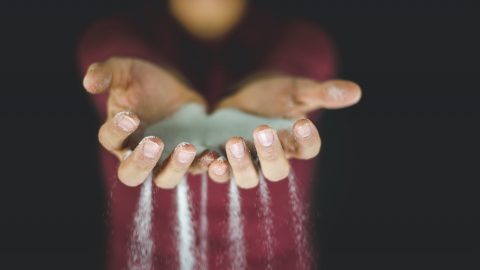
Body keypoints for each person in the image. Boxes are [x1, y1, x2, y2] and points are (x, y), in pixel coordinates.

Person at [78, 0, 361, 269]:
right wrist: (137, 82)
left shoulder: (302, 41)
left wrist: (265, 84)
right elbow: (110, 54)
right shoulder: (114, 38)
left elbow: (302, 58)